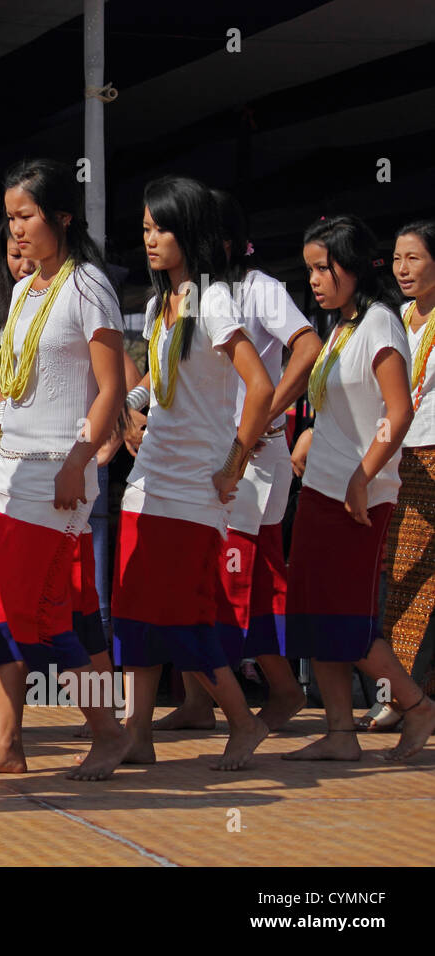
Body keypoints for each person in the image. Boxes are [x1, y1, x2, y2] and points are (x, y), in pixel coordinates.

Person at [0, 159, 130, 780]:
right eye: (11, 218)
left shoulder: (89, 287)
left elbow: (110, 388)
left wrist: (80, 459)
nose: (14, 230)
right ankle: (5, 743)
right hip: (10, 475)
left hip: (56, 477)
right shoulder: (23, 290)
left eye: (26, 217)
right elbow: (16, 387)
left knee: (45, 615)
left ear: (61, 217)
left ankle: (107, 732)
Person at [111, 176, 275, 771]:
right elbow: (161, 378)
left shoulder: (215, 300)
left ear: (193, 232)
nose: (151, 238)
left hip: (194, 486)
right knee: (134, 614)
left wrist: (233, 463)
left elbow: (260, 385)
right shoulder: (162, 304)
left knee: (182, 616)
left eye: (163, 227)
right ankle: (139, 735)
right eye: (147, 227)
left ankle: (243, 722)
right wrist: (133, 402)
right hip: (148, 479)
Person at [154, 190, 322, 733]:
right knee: (215, 575)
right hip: (209, 452)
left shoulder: (258, 288)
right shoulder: (192, 294)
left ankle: (274, 690)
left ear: (219, 239)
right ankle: (208, 699)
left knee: (235, 576)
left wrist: (269, 412)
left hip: (249, 457)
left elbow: (308, 345)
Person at [284, 215, 435, 761]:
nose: (317, 280)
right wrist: (309, 439)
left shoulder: (379, 323)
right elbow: (346, 406)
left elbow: (400, 411)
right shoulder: (342, 327)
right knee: (317, 614)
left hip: (358, 497)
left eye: (325, 268)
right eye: (311, 270)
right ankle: (340, 732)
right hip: (322, 488)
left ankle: (415, 704)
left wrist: (362, 475)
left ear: (351, 266)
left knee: (347, 618)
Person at [365, 220, 435, 730]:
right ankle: (406, 692)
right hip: (394, 454)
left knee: (416, 574)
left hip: (430, 453)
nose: (402, 269)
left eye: (413, 257)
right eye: (396, 258)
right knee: (392, 571)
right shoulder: (399, 319)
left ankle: (399, 696)